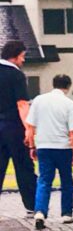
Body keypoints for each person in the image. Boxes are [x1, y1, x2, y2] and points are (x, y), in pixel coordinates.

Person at [25, 74, 73, 229]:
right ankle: (66, 213)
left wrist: (32, 146)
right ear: (68, 86)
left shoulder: (38, 100)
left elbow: (30, 126)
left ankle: (40, 212)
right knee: (66, 181)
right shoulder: (69, 104)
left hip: (43, 145)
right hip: (63, 147)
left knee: (44, 180)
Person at [0, 40, 37, 215]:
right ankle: (32, 204)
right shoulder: (16, 75)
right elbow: (22, 104)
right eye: (22, 57)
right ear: (15, 57)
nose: (23, 61)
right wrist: (29, 129)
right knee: (24, 166)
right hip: (13, 126)